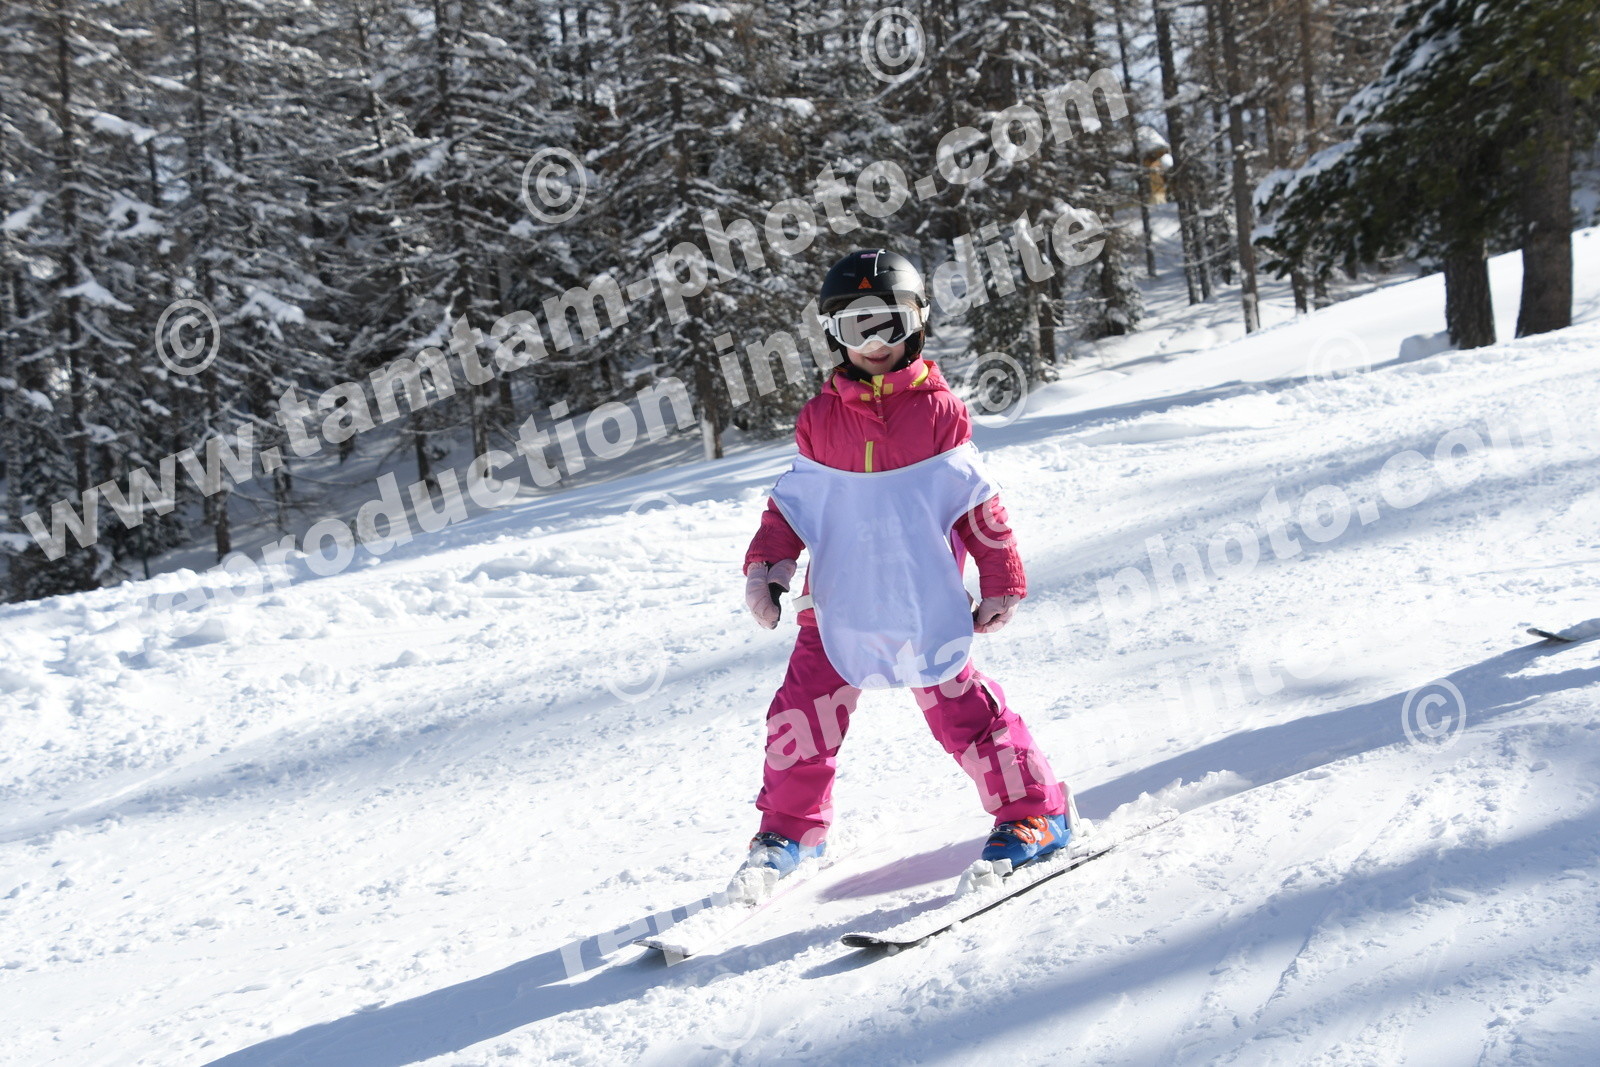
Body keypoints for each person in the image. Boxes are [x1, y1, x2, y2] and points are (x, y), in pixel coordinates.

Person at [736, 248, 1071, 896]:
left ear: (916, 322)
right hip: (836, 604)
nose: (873, 343)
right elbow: (793, 506)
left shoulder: (939, 413)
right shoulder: (819, 422)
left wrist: (1001, 578)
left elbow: (977, 505)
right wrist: (769, 569)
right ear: (832, 334)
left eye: (887, 324)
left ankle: (1036, 812)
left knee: (963, 713)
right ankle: (790, 832)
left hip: (920, 602)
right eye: (854, 327)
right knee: (801, 717)